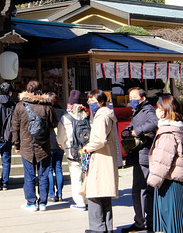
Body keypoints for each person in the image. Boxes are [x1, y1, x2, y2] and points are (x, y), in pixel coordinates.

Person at [148, 94, 183, 233]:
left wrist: (154, 180)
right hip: (177, 178)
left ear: (167, 110)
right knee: (180, 216)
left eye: (159, 107)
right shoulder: (177, 129)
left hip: (168, 179)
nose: (157, 110)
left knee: (172, 217)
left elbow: (163, 159)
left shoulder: (167, 132)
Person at [12, 80, 57, 212]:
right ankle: (43, 202)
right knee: (44, 174)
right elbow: (54, 124)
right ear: (40, 90)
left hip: (26, 146)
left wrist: (17, 144)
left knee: (29, 175)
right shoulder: (47, 106)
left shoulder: (20, 106)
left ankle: (31, 202)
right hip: (44, 146)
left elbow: (15, 127)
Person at [82, 89, 120, 233]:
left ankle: (97, 227)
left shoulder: (100, 117)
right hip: (107, 158)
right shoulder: (107, 115)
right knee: (105, 194)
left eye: (92, 101)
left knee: (95, 193)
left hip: (100, 158)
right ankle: (107, 227)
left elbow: (98, 140)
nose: (89, 103)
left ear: (101, 101)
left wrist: (87, 148)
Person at [121, 87, 159, 233]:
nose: (131, 100)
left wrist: (138, 130)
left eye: (134, 97)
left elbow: (154, 122)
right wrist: (129, 129)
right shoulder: (138, 110)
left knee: (140, 189)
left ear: (142, 98)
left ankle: (141, 222)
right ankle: (143, 221)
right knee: (140, 189)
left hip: (143, 154)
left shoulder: (147, 109)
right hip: (138, 154)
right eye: (129, 97)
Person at [57, 89, 89, 210]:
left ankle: (80, 202)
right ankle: (87, 199)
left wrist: (63, 145)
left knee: (76, 177)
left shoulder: (66, 117)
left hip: (72, 151)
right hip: (86, 150)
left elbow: (61, 135)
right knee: (86, 174)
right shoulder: (86, 115)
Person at [47, 92, 65, 203]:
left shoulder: (46, 111)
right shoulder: (62, 112)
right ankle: (60, 193)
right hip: (60, 143)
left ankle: (52, 194)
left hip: (49, 143)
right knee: (58, 169)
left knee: (49, 169)